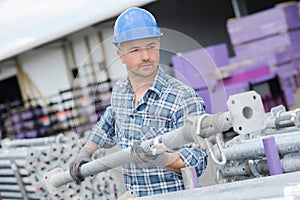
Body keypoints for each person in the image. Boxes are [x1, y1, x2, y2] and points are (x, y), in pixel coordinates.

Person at [69, 7, 208, 197]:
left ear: (158, 45)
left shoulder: (182, 97)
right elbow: (108, 122)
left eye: (151, 46)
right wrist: (85, 152)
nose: (146, 56)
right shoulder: (120, 91)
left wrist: (162, 159)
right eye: (135, 50)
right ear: (121, 56)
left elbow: (198, 159)